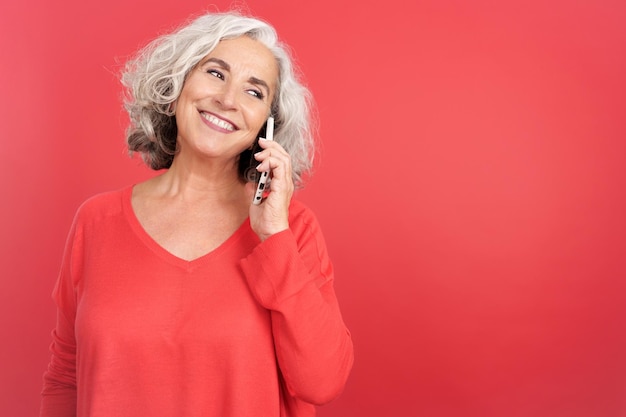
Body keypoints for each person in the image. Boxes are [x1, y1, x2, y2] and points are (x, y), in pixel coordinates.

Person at [40, 11, 354, 417]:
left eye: (254, 92)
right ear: (176, 84)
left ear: (266, 127)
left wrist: (275, 236)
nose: (228, 100)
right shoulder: (96, 221)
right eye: (216, 73)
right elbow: (66, 374)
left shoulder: (292, 229)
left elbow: (322, 381)